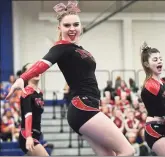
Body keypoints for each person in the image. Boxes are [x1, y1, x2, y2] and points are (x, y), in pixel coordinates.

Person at [6, 1, 134, 156]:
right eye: (67, 25)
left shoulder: (77, 49)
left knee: (108, 155)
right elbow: (43, 63)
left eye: (76, 24)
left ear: (81, 26)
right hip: (83, 106)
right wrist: (23, 77)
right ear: (59, 28)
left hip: (86, 107)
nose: (72, 28)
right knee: (127, 150)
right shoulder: (60, 48)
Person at [18, 63, 49, 156]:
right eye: (31, 69)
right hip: (27, 135)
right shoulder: (26, 93)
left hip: (36, 135)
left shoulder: (39, 93)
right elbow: (28, 114)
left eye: (36, 68)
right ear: (26, 75)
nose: (36, 71)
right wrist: (28, 137)